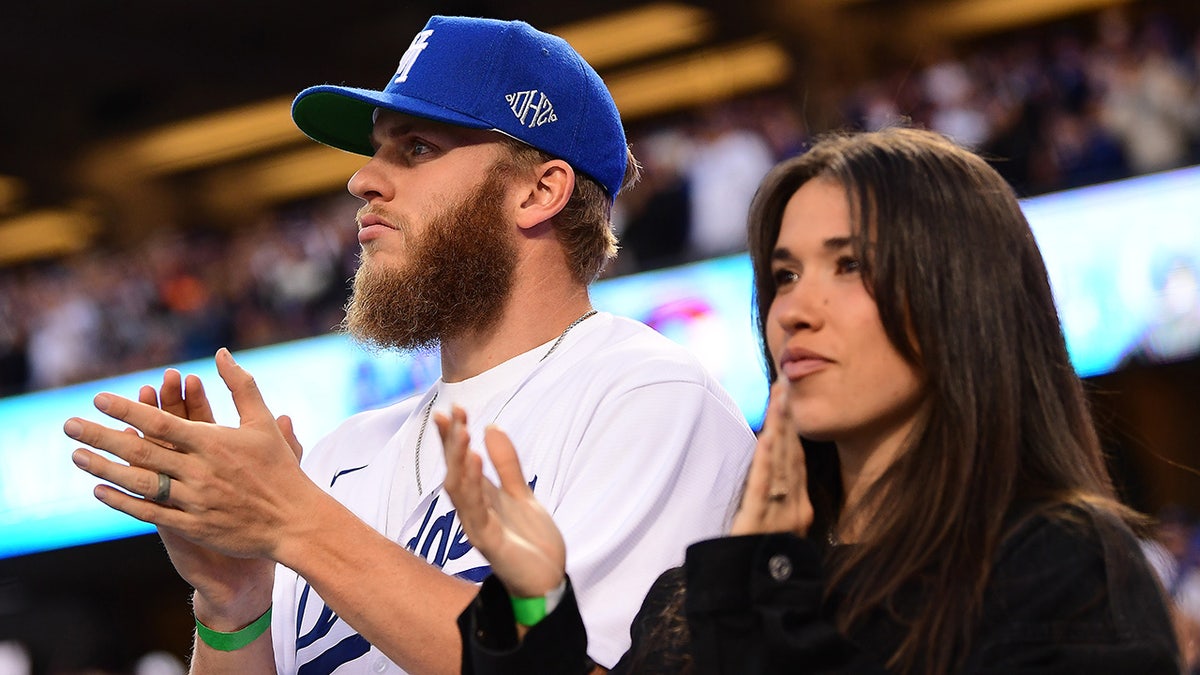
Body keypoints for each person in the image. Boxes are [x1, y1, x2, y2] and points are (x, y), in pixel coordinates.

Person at [63, 15, 755, 675]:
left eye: (416, 148)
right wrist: (232, 600)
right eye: (376, 148)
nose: (362, 179)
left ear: (540, 190)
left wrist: (296, 523)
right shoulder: (342, 458)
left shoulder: (647, 399)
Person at [444, 127, 1184, 674]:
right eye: (786, 274)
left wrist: (756, 603)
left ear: (963, 296)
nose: (794, 309)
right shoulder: (709, 582)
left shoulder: (1062, 564)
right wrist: (538, 602)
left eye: (850, 264)